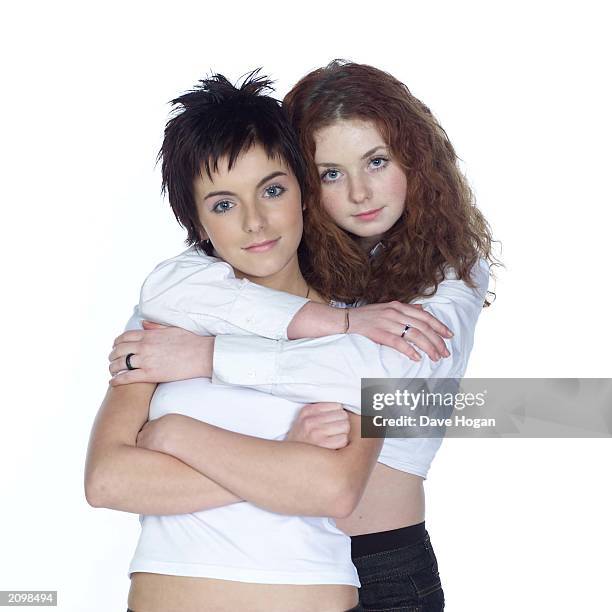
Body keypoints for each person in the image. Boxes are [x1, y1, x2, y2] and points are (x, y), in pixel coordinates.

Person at [106, 62, 495, 611]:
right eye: (331, 173)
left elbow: (377, 377)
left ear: (416, 159)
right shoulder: (296, 270)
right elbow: (167, 288)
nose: (360, 193)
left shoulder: (447, 273)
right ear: (307, 185)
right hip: (292, 565)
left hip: (384, 562)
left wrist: (206, 357)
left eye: (377, 162)